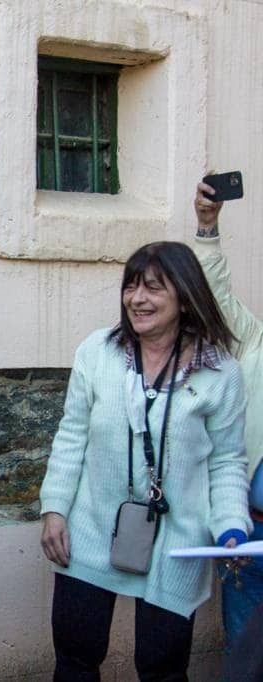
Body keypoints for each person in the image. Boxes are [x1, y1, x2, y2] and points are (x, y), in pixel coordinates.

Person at [40, 241, 250, 680]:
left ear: (186, 296)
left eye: (154, 288)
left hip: (177, 541)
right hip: (92, 528)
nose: (137, 299)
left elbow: (227, 460)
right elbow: (71, 433)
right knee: (75, 657)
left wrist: (231, 524)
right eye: (131, 287)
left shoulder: (220, 372)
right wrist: (55, 508)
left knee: (162, 667)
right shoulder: (97, 352)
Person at [192, 181, 263, 648]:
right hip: (252, 533)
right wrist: (207, 227)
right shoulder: (254, 343)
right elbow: (213, 292)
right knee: (244, 648)